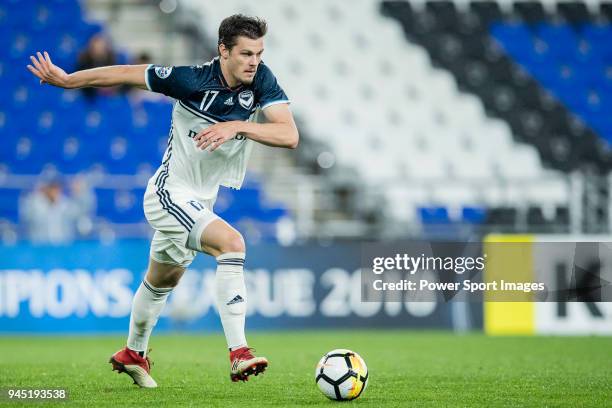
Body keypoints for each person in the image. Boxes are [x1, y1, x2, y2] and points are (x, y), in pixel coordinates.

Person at [27, 14, 299, 387]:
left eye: (259, 53)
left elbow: (288, 134)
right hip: (169, 194)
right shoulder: (190, 80)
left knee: (160, 282)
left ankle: (133, 353)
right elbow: (126, 72)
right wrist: (71, 80)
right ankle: (239, 353)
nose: (255, 61)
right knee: (233, 245)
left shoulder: (262, 79)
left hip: (200, 202)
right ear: (223, 51)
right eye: (246, 53)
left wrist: (237, 125)